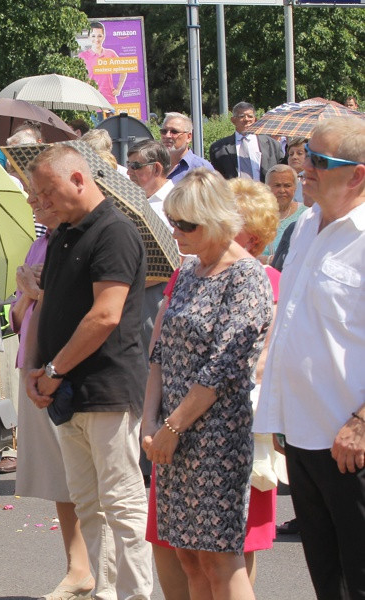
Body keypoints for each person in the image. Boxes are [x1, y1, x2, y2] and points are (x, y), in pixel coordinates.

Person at [24, 145, 152, 600]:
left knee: (121, 502)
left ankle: (134, 594)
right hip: (67, 389)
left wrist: (53, 369)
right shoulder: (64, 233)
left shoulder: (114, 232)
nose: (43, 203)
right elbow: (50, 305)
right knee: (88, 502)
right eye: (38, 195)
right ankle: (106, 590)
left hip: (106, 386)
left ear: (79, 178)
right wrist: (36, 367)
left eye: (48, 192)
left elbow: (106, 316)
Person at [144, 176, 281, 599]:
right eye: (172, 222)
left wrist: (172, 427)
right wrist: (150, 419)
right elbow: (160, 352)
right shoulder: (187, 269)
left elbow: (224, 367)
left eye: (187, 224)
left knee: (220, 560)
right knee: (188, 557)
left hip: (216, 437)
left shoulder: (247, 276)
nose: (176, 232)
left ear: (217, 220)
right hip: (171, 433)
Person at [255, 117, 365, 600]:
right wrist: (280, 413)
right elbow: (292, 323)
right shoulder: (302, 227)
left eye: (319, 161)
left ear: (358, 174)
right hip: (303, 436)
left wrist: (362, 422)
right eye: (304, 156)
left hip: (351, 441)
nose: (305, 170)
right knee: (327, 578)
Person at [11, 188, 93, 600]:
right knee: (60, 478)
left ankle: (97, 568)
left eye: (39, 198)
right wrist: (26, 292)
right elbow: (15, 314)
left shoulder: (85, 240)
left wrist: (37, 292)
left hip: (68, 370)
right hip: (33, 363)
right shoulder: (40, 242)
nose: (32, 205)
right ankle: (77, 567)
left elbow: (81, 308)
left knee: (84, 477)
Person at [210, 102, 283, 182]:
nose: (246, 119)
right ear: (233, 120)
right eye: (241, 116)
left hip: (264, 192)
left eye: (250, 116)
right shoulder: (219, 148)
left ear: (255, 120)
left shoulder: (272, 145)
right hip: (233, 192)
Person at [262, 164, 306, 259]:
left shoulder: (306, 214)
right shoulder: (256, 215)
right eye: (277, 185)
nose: (282, 190)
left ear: (295, 187)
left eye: (287, 185)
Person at [127, 140, 174, 228]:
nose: (128, 172)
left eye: (135, 166)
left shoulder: (177, 204)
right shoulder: (131, 199)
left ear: (156, 169)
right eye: (128, 165)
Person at [78, 21, 124, 106]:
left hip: (110, 100)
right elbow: (77, 77)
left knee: (113, 120)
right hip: (92, 101)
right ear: (89, 37)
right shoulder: (83, 56)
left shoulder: (110, 54)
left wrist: (118, 89)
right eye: (93, 36)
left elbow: (124, 70)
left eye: (99, 36)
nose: (96, 39)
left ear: (104, 37)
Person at [159, 112, 213, 183]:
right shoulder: (152, 166)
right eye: (164, 131)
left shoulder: (202, 168)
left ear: (189, 137)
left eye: (174, 132)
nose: (167, 135)